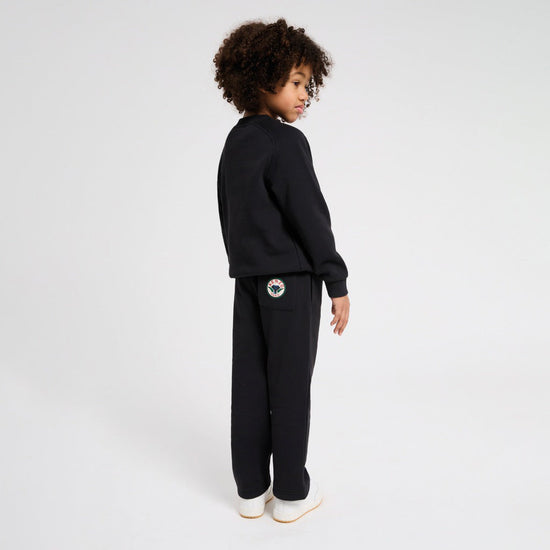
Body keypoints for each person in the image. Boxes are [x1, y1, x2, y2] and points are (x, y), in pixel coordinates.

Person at [212, 17, 351, 523]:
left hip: (249, 280)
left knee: (250, 384)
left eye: (307, 85)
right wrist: (335, 280)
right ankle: (292, 494)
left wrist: (247, 266)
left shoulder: (236, 142)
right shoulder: (285, 142)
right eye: (295, 82)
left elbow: (228, 214)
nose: (304, 95)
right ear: (262, 78)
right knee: (289, 386)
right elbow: (310, 216)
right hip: (290, 282)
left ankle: (251, 491)